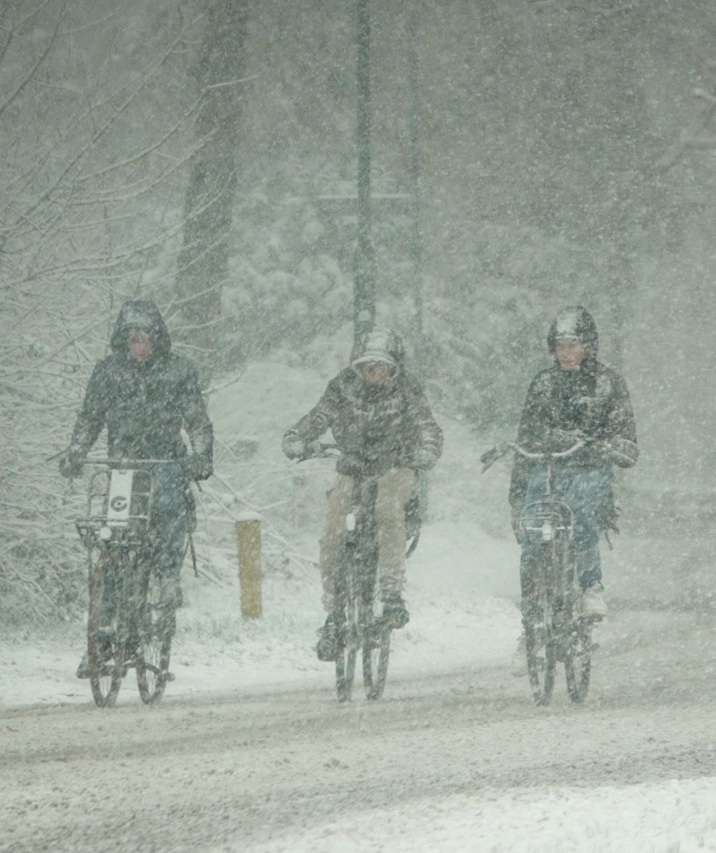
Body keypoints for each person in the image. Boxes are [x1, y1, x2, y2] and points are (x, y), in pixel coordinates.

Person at [58, 299, 214, 677]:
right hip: (123, 467)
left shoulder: (179, 372)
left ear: (156, 338)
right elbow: (90, 416)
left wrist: (201, 455)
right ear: (122, 338)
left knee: (168, 507)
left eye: (144, 336)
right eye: (131, 336)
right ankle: (103, 638)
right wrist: (76, 451)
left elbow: (197, 419)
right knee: (112, 545)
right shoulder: (108, 372)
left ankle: (166, 577)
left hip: (165, 462)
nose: (138, 343)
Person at [282, 328, 443, 661]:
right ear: (358, 367)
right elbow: (319, 416)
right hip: (352, 467)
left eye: (383, 367)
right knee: (333, 529)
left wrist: (425, 449)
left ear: (394, 368)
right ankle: (333, 614)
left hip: (395, 466)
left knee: (388, 511)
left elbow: (427, 425)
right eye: (369, 367)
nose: (376, 373)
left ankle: (392, 593)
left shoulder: (407, 390)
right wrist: (298, 436)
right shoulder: (343, 387)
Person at [509, 306, 638, 674]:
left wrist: (610, 448)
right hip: (547, 467)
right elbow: (527, 435)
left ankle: (590, 587)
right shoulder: (543, 384)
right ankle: (531, 627)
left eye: (574, 345)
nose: (566, 352)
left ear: (589, 346)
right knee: (533, 532)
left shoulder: (608, 384)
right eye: (561, 345)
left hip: (589, 469)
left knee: (580, 513)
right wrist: (517, 492)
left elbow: (624, 434)